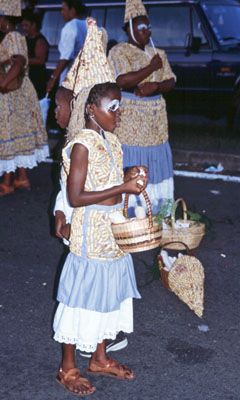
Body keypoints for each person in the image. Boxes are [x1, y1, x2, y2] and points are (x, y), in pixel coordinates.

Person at [53, 80, 148, 395]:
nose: (119, 113)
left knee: (108, 292)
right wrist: (122, 189)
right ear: (92, 110)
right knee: (82, 298)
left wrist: (128, 176)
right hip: (91, 231)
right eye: (113, 107)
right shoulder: (82, 144)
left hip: (112, 229)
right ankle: (67, 368)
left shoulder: (111, 141)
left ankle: (100, 357)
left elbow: (104, 180)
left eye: (120, 105)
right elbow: (77, 196)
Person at [108, 0, 176, 216]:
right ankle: (131, 211)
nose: (148, 32)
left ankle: (156, 211)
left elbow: (171, 80)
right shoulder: (119, 51)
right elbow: (122, 81)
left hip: (155, 121)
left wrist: (156, 85)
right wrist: (151, 68)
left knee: (155, 157)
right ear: (129, 30)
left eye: (149, 28)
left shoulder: (158, 53)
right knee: (132, 159)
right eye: (142, 28)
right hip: (131, 122)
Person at [0, 0, 49, 196]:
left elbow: (18, 62)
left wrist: (4, 84)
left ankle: (8, 182)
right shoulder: (14, 36)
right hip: (19, 92)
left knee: (10, 134)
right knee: (19, 134)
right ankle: (22, 178)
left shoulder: (12, 36)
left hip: (14, 93)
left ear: (4, 17)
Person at [46, 0, 87, 93]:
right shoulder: (91, 26)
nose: (61, 13)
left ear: (72, 10)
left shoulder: (70, 27)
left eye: (63, 9)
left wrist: (53, 78)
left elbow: (66, 57)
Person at [21, 10, 49, 99]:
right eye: (23, 26)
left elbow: (41, 60)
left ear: (34, 25)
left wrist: (23, 60)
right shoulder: (25, 38)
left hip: (36, 78)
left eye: (26, 25)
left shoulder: (40, 40)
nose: (24, 28)